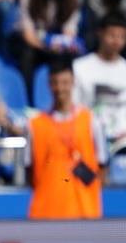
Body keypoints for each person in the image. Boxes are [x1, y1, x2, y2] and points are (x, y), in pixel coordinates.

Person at [28, 59, 105, 219]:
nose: (60, 88)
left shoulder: (91, 120)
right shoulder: (35, 124)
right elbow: (29, 168)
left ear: (73, 82)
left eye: (65, 82)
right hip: (47, 211)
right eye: (55, 83)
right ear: (49, 84)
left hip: (85, 210)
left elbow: (102, 165)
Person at [74, 15, 126, 144]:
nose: (116, 41)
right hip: (87, 136)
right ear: (100, 34)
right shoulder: (79, 67)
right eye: (112, 35)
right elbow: (75, 106)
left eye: (122, 37)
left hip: (124, 138)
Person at [14, 0, 82, 87]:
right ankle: (27, 98)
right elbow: (28, 35)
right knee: (27, 54)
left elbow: (69, 33)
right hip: (31, 42)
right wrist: (46, 47)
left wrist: (60, 45)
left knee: (72, 55)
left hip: (55, 41)